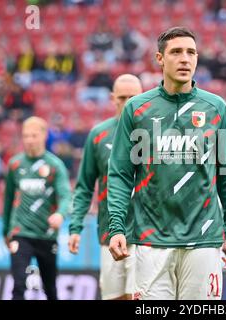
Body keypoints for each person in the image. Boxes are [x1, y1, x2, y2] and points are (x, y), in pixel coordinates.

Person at [107, 26, 226, 300]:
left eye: (191, 52)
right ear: (160, 58)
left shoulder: (216, 108)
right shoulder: (137, 109)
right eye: (176, 52)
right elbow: (121, 174)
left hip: (204, 239)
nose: (185, 59)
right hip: (151, 240)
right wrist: (116, 228)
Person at [68, 74, 143, 300]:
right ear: (113, 98)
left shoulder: (154, 133)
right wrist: (75, 227)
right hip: (110, 232)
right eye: (122, 97)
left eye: (134, 97)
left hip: (145, 233)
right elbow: (84, 186)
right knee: (114, 297)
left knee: (138, 297)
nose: (128, 102)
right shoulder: (99, 135)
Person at [2, 116, 72, 300]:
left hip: (46, 234)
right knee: (18, 285)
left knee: (50, 288)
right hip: (21, 232)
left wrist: (60, 214)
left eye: (33, 135)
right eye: (25, 136)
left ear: (43, 136)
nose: (29, 140)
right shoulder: (15, 165)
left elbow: (65, 196)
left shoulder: (55, 165)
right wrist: (5, 231)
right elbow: (8, 199)